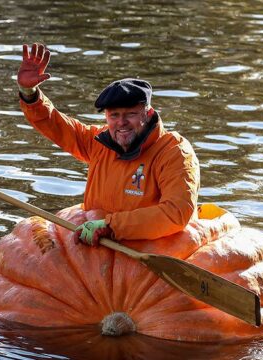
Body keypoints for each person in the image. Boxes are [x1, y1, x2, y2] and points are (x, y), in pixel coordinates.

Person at [17, 43, 200, 246]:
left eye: (130, 114)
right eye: (114, 115)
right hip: (96, 249)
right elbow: (57, 126)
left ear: (147, 114)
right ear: (106, 116)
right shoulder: (99, 140)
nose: (121, 122)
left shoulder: (174, 152)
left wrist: (111, 226)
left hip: (149, 250)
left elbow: (176, 213)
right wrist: (30, 93)